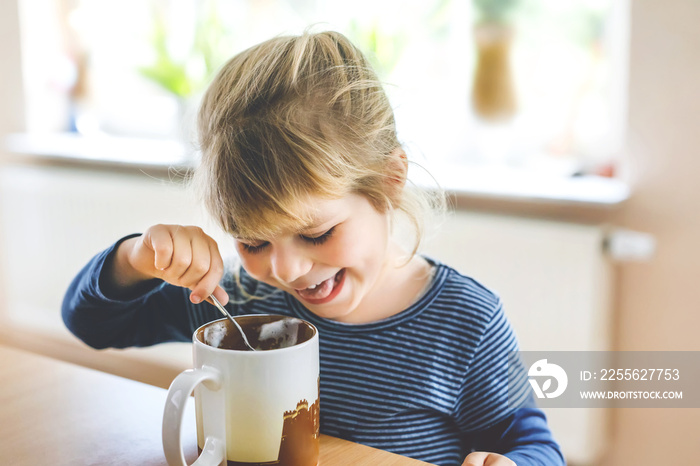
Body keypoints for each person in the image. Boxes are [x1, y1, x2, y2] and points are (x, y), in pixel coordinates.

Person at [62, 30, 565, 466]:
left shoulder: (464, 321)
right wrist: (135, 259)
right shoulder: (235, 300)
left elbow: (529, 440)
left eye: (317, 233)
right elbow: (92, 325)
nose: (285, 269)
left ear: (390, 180)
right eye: (253, 240)